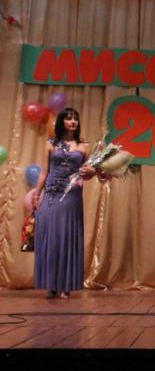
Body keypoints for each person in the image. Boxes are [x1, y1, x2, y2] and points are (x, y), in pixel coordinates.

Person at [32, 108, 96, 299]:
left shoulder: (84, 145)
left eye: (75, 118)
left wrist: (92, 172)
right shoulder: (50, 143)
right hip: (52, 193)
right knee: (52, 238)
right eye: (69, 119)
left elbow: (88, 172)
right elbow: (44, 171)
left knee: (67, 236)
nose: (73, 121)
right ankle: (51, 284)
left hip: (71, 194)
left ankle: (66, 285)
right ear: (61, 122)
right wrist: (37, 194)